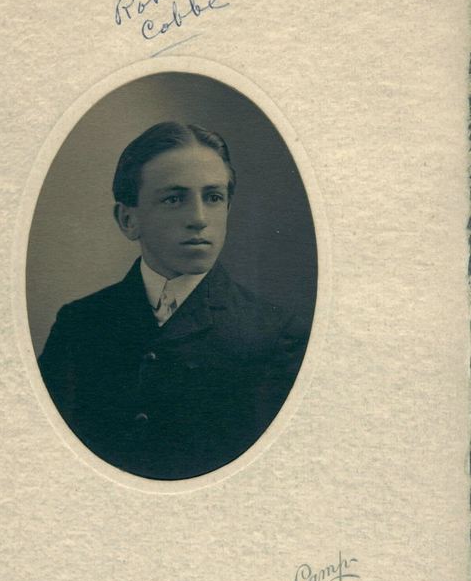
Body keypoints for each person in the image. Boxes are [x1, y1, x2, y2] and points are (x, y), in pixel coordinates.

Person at [38, 121, 309, 480]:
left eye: (213, 198)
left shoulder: (274, 334)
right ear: (128, 219)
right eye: (174, 199)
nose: (199, 219)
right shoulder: (80, 325)